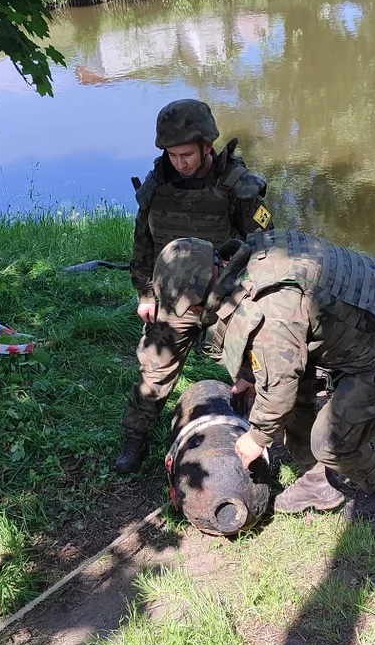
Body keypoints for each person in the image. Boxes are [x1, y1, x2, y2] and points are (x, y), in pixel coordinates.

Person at [150, 230, 375, 520]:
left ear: (198, 298)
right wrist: (249, 376)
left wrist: (256, 438)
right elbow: (282, 352)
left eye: (190, 308)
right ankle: (319, 480)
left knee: (331, 443)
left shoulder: (268, 311)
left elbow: (279, 389)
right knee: (290, 396)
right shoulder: (252, 255)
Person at [115, 99, 273, 474]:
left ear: (207, 145)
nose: (180, 163)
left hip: (229, 293)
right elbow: (143, 243)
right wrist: (145, 293)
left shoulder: (237, 185)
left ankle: (255, 444)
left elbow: (266, 247)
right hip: (176, 295)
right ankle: (134, 439)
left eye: (187, 154)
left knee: (251, 370)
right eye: (172, 155)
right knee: (156, 367)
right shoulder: (159, 185)